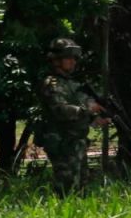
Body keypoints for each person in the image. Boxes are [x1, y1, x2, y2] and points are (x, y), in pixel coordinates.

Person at [36, 38, 108, 193]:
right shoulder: (51, 83)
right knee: (66, 189)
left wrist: (95, 119)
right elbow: (59, 110)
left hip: (76, 142)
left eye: (74, 58)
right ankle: (60, 216)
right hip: (62, 142)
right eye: (68, 58)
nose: (73, 62)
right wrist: (87, 111)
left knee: (80, 188)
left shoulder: (72, 84)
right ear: (56, 60)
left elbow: (80, 112)